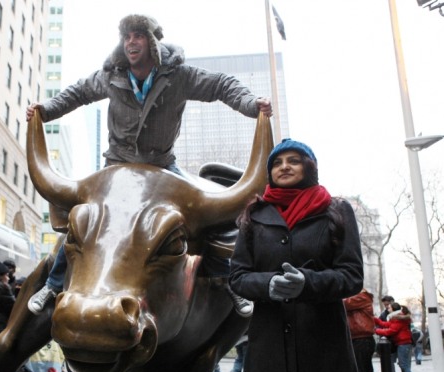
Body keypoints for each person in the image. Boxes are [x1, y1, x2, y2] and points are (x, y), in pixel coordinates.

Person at [25, 14, 272, 318]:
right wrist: (45, 110)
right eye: (127, 36)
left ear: (153, 42)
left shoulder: (179, 75)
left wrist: (251, 105)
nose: (131, 41)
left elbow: (222, 85)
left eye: (138, 35)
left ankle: (228, 280)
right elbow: (77, 93)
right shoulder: (111, 75)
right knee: (85, 220)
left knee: (207, 215)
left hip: (162, 167)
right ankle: (52, 285)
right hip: (116, 168)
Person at [229, 138, 364, 372]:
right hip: (269, 345)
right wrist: (270, 284)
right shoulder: (254, 215)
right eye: (277, 162)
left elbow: (352, 275)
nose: (285, 166)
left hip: (321, 344)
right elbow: (237, 276)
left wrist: (308, 283)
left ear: (309, 167)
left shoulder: (336, 210)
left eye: (294, 160)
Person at [343, 288, 387, 372]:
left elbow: (344, 303)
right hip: (362, 339)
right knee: (367, 371)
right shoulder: (361, 297)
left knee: (361, 371)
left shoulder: (361, 296)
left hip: (361, 338)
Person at [374, 302, 417, 372]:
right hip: (402, 343)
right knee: (402, 364)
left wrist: (376, 331)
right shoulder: (396, 317)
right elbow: (387, 325)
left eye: (389, 308)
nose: (387, 309)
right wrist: (375, 320)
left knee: (404, 364)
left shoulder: (398, 318)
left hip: (404, 343)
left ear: (393, 309)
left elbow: (391, 330)